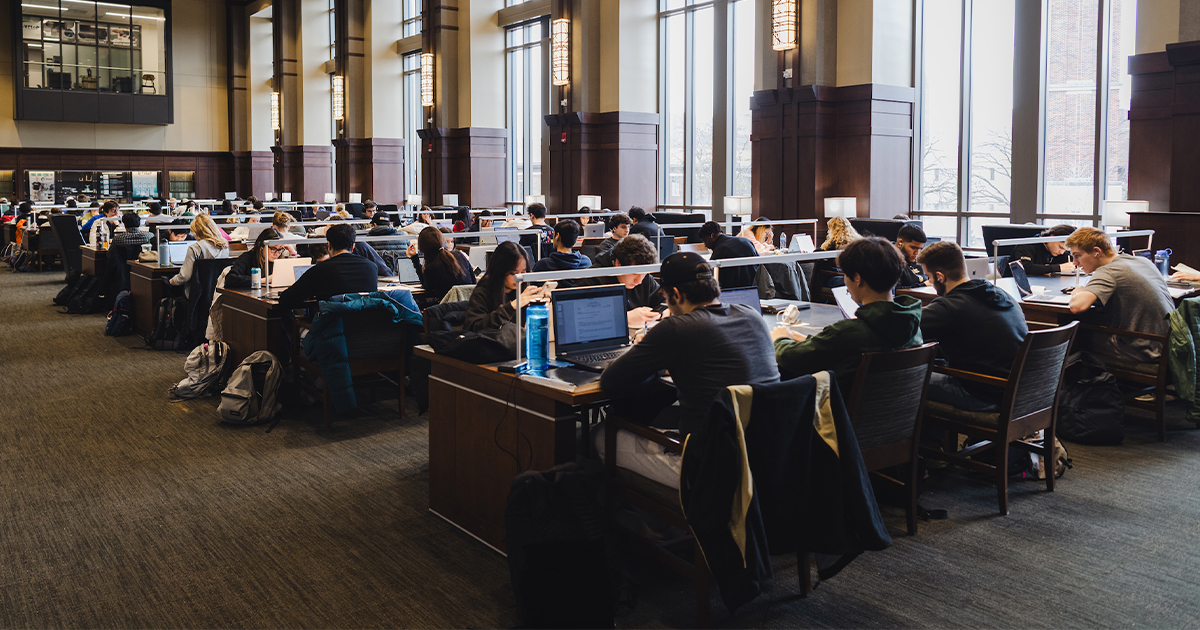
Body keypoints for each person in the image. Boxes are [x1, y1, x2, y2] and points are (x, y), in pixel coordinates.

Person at [597, 252, 781, 488]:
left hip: (711, 472)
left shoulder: (675, 328)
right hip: (765, 457)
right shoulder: (751, 315)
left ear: (675, 294)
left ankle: (650, 523)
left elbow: (610, 381)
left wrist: (657, 364)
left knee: (601, 435)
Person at [771, 236, 922, 393]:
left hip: (838, 413)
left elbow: (792, 359)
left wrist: (780, 339)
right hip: (894, 413)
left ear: (857, 278)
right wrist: (811, 341)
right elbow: (835, 347)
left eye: (845, 274)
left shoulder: (849, 333)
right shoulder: (911, 324)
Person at [917, 241, 1028, 411]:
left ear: (940, 276)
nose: (930, 282)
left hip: (983, 395)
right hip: (1020, 393)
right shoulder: (1003, 295)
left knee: (902, 380)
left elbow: (904, 328)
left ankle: (920, 437)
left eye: (929, 277)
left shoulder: (949, 306)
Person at [1066, 227, 1174, 362]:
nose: (1075, 263)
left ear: (1096, 252)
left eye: (1078, 255)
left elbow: (1077, 306)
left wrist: (1077, 293)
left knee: (1072, 336)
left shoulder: (1109, 271)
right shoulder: (1141, 261)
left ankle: (1086, 382)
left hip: (1145, 350)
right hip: (1168, 346)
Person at [279, 224, 379, 309]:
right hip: (364, 328)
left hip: (330, 328)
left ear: (329, 245)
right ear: (353, 246)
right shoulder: (371, 267)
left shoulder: (320, 270)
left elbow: (286, 299)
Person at [574, 234, 664, 326]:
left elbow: (665, 301)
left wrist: (658, 314)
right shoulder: (591, 281)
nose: (639, 281)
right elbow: (577, 319)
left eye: (644, 274)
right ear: (618, 263)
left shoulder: (645, 279)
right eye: (634, 274)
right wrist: (623, 318)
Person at [463, 241, 545, 332]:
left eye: (523, 272)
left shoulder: (524, 288)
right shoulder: (483, 292)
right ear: (500, 270)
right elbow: (474, 328)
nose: (519, 278)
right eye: (512, 273)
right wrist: (512, 306)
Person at [409, 226, 476, 302]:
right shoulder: (460, 255)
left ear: (422, 249)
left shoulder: (431, 268)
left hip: (448, 310)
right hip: (470, 307)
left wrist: (415, 259)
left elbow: (426, 288)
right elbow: (473, 282)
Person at [168, 214, 231, 296]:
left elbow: (185, 276)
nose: (194, 235)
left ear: (199, 232)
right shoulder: (224, 246)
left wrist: (172, 281)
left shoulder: (195, 248)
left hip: (196, 294)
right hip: (218, 293)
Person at [699, 221, 759, 289]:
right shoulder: (746, 241)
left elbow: (711, 275)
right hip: (754, 288)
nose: (706, 245)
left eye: (705, 241)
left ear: (712, 235)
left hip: (732, 291)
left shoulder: (720, 250)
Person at [1007, 224, 1076, 277]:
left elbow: (1070, 262)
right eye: (1060, 247)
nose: (1061, 252)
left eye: (1065, 250)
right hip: (1015, 286)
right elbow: (1025, 267)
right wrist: (1058, 268)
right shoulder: (1027, 244)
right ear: (1052, 237)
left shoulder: (1054, 251)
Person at [894, 224, 928, 289]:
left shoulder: (916, 260)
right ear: (900, 243)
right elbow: (895, 290)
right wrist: (923, 285)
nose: (917, 253)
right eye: (913, 248)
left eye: (920, 249)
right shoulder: (890, 260)